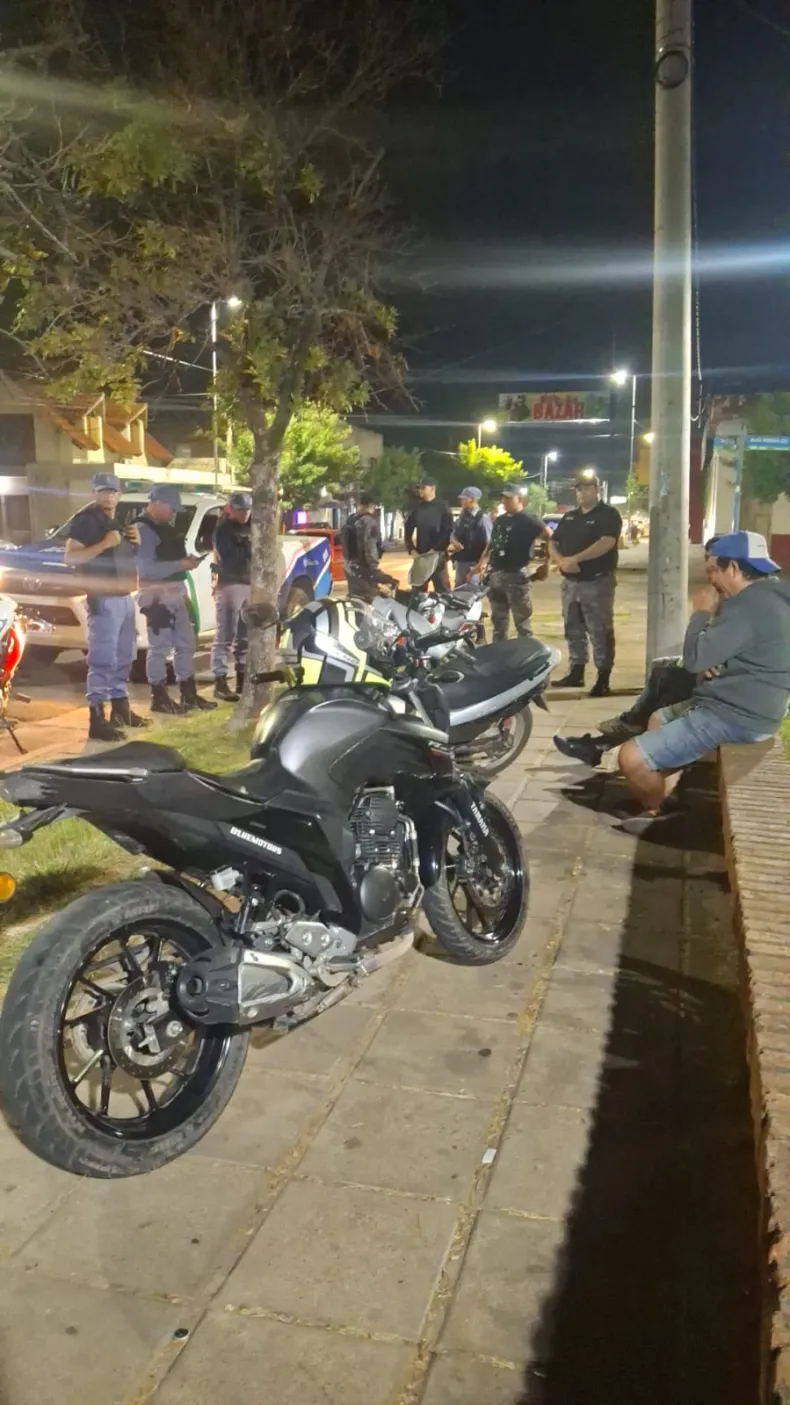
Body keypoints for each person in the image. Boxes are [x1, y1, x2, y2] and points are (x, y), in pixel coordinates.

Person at [618, 531, 790, 826]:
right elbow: (747, 647)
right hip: (751, 704)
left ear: (733, 568)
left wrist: (699, 613)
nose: (710, 579)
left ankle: (661, 815)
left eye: (713, 570)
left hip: (737, 716)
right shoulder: (771, 595)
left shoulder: (748, 607)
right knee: (659, 718)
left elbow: (694, 660)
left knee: (630, 757)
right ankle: (664, 797)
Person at [65, 471, 147, 743]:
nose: (108, 496)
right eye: (103, 491)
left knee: (125, 656)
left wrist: (135, 543)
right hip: (103, 599)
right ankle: (97, 720)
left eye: (112, 491)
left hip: (124, 597)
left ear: (119, 494)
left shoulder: (116, 520)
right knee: (103, 659)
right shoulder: (86, 520)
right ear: (94, 493)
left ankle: (121, 711)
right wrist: (104, 544)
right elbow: (71, 558)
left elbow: (123, 557)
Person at [136, 484, 217, 715]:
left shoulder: (163, 528)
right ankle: (159, 698)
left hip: (175, 592)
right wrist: (179, 565)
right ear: (157, 504)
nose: (173, 513)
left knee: (186, 645)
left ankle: (188, 694)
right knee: (159, 648)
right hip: (157, 596)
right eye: (171, 508)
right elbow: (145, 569)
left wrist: (185, 562)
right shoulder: (142, 530)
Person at [550, 470, 623, 697]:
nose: (582, 493)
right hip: (571, 583)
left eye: (587, 488)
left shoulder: (607, 515)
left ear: (597, 490)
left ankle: (603, 677)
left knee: (600, 630)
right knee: (572, 628)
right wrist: (561, 561)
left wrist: (576, 559)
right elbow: (553, 541)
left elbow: (607, 542)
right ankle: (576, 671)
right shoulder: (570, 517)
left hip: (596, 582)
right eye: (579, 489)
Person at [477, 483, 551, 641]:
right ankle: (500, 650)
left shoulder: (529, 519)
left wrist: (546, 563)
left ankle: (525, 650)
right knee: (498, 621)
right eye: (504, 498)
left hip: (516, 574)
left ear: (520, 500)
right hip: (496, 574)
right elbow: (492, 543)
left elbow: (551, 537)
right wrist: (482, 563)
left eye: (509, 498)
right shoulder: (500, 520)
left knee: (522, 622)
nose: (505, 501)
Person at [211, 491, 252, 701]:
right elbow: (229, 558)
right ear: (231, 509)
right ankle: (220, 681)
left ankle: (242, 680)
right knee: (225, 636)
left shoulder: (250, 526)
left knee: (244, 637)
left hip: (248, 584)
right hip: (230, 584)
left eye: (246, 510)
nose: (244, 514)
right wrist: (246, 544)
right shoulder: (223, 529)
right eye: (240, 510)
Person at [341, 494, 398, 603]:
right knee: (372, 598)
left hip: (350, 567)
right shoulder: (369, 521)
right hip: (364, 568)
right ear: (372, 506)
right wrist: (373, 568)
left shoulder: (350, 520)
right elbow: (370, 547)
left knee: (355, 598)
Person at [404, 479, 454, 592]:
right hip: (421, 557)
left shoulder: (443, 508)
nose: (420, 491)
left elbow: (448, 532)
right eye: (419, 488)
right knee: (417, 593)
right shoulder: (417, 509)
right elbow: (407, 531)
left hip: (438, 558)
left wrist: (436, 550)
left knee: (443, 592)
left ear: (432, 489)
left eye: (423, 488)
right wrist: (411, 549)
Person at [447, 486, 492, 588]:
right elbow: (453, 533)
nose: (461, 501)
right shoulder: (462, 517)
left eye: (464, 498)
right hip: (461, 561)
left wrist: (481, 565)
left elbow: (489, 544)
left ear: (473, 499)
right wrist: (454, 541)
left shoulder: (483, 518)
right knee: (459, 590)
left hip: (474, 563)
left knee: (472, 591)